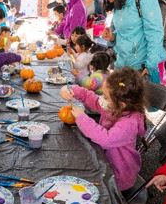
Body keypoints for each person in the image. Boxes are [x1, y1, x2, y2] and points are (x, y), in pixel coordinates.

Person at [59, 67, 146, 195]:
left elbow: (105, 139)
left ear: (121, 104)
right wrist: (71, 90)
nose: (101, 99)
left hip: (118, 174)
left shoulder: (130, 123)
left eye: (105, 96)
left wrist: (82, 117)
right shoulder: (114, 105)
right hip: (104, 160)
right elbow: (92, 98)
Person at [98, 0, 166, 84]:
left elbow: (155, 33)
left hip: (142, 69)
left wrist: (150, 66)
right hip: (123, 66)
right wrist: (113, 37)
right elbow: (125, 32)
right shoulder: (119, 0)